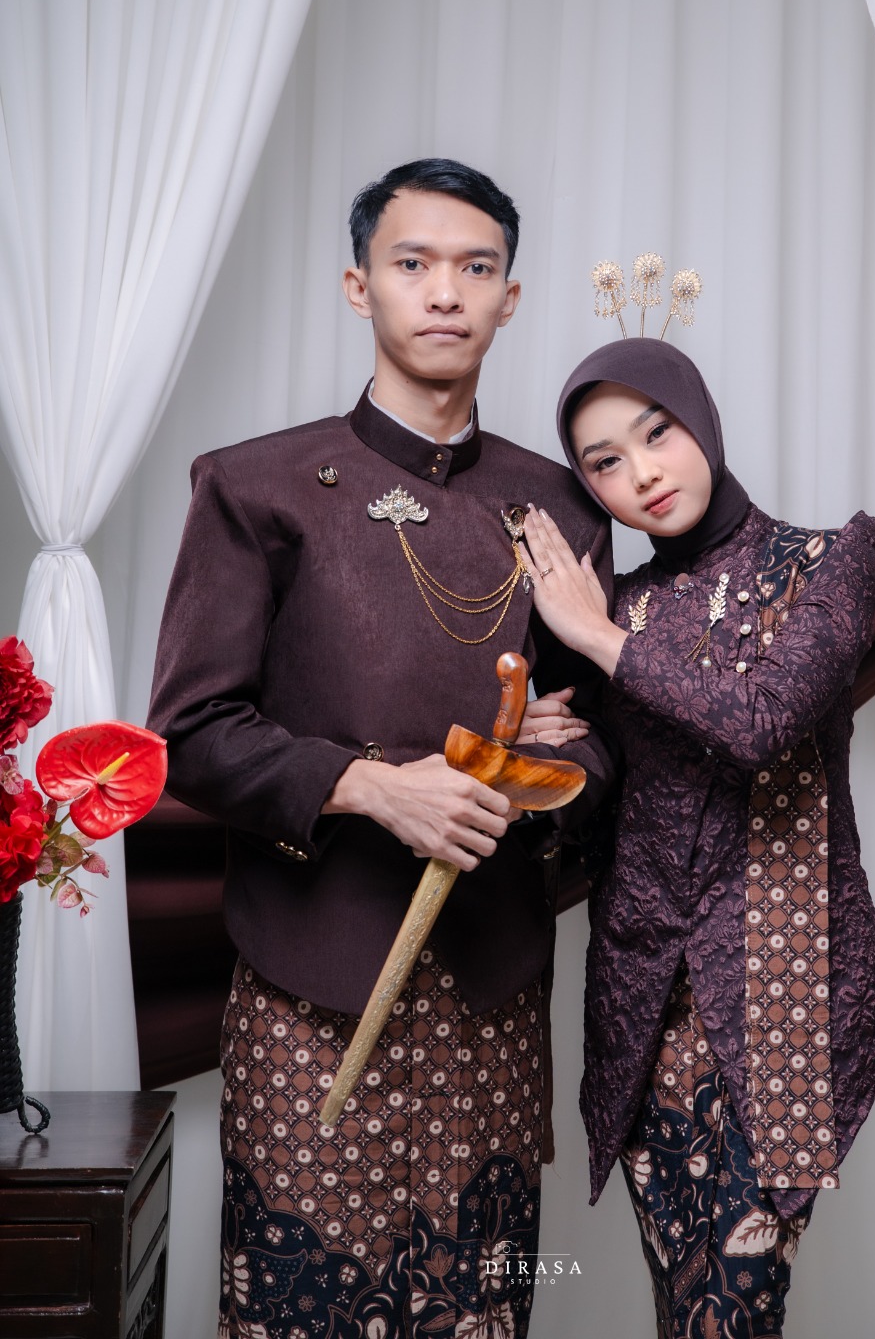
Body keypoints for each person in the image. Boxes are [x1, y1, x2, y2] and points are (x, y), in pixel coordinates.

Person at [147, 158, 615, 1339]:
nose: (444, 291)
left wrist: (539, 775)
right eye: (413, 263)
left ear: (510, 297)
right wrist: (370, 786)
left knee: (478, 1311)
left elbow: (605, 746)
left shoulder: (558, 504)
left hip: (492, 989)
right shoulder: (254, 486)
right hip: (309, 982)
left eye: (476, 267)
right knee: (300, 1309)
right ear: (360, 286)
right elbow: (189, 734)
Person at [517, 336, 875, 1339]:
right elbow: (601, 804)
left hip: (781, 987)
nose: (643, 472)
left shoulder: (829, 560)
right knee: (681, 1307)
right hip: (644, 999)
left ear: (701, 416)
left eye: (657, 432)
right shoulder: (623, 603)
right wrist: (542, 747)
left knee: (736, 1309)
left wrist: (594, 635)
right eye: (606, 462)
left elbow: (761, 722)